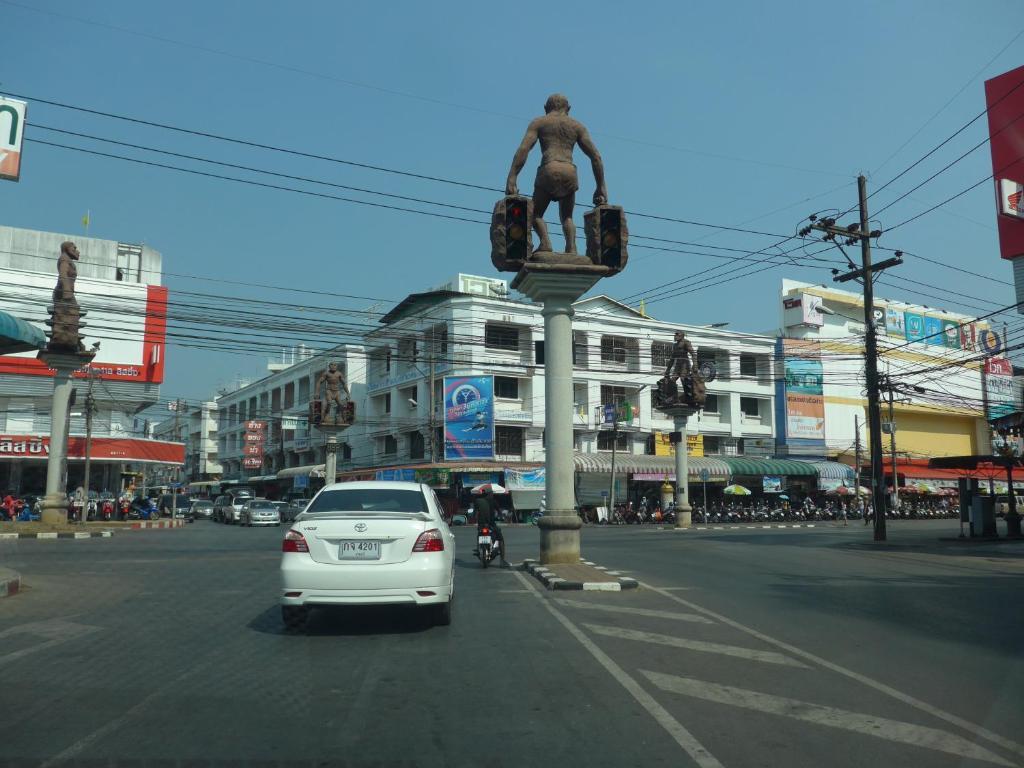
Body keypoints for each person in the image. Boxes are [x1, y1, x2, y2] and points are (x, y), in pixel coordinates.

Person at [505, 93, 607, 254]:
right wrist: (601, 187)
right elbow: (596, 156)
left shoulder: (540, 122)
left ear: (546, 108)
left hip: (549, 169)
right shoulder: (577, 126)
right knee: (567, 217)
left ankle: (545, 243)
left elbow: (524, 149)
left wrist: (512, 177)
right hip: (569, 171)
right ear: (569, 109)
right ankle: (571, 247)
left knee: (535, 213)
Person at [473, 488, 509, 568]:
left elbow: (474, 513)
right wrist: (501, 517)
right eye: (492, 493)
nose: (492, 494)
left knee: (479, 534)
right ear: (490, 494)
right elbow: (499, 512)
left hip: (481, 525)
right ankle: (502, 560)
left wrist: (474, 518)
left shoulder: (478, 501)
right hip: (491, 525)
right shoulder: (493, 501)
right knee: (500, 539)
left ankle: (477, 548)